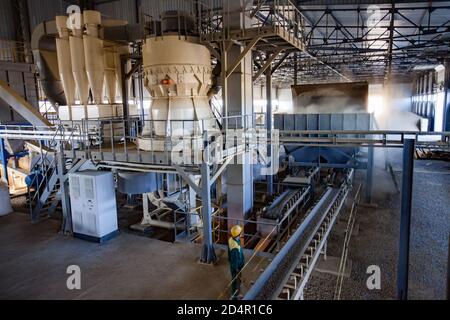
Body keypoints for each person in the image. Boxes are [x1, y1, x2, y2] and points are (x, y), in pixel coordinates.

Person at [228, 225, 245, 300]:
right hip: (236, 266)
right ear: (238, 235)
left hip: (237, 264)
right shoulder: (235, 247)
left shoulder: (231, 240)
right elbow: (235, 260)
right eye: (241, 232)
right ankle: (234, 297)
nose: (242, 233)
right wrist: (236, 269)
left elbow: (229, 254)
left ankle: (237, 294)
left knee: (237, 280)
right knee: (235, 281)